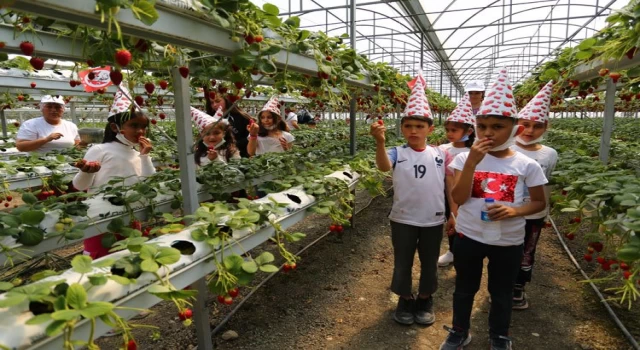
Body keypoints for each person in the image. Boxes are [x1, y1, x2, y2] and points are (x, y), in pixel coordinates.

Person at [440, 68, 547, 350]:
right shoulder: (463, 159)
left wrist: (516, 211)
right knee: (464, 288)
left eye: (497, 127)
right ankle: (460, 330)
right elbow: (460, 198)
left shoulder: (527, 165)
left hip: (508, 240)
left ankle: (500, 335)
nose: (488, 132)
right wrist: (472, 163)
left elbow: (539, 202)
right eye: (483, 126)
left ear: (516, 129)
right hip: (469, 236)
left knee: (500, 292)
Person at [370, 74, 452, 326]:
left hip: (433, 218)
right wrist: (380, 143)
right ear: (402, 129)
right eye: (408, 126)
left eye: (419, 126)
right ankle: (405, 297)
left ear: (430, 129)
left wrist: (454, 214)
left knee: (429, 261)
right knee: (402, 260)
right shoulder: (397, 152)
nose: (413, 131)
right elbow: (384, 167)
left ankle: (425, 297)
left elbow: (449, 186)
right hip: (403, 217)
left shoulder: (441, 153)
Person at [73, 87, 155, 259]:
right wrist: (87, 173)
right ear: (115, 127)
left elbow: (147, 183)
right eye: (134, 126)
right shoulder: (100, 149)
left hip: (131, 212)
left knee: (130, 258)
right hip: (100, 216)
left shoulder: (138, 153)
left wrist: (145, 156)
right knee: (101, 259)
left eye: (143, 127)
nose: (140, 131)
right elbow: (80, 186)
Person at [511, 81, 558, 310]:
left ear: (545, 127)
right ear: (516, 125)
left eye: (536, 126)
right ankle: (502, 284)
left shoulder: (550, 154)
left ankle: (519, 286)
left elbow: (546, 183)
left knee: (528, 250)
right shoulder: (506, 149)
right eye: (525, 124)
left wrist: (544, 212)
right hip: (507, 210)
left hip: (534, 213)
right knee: (505, 248)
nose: (529, 131)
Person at [437, 93, 477, 267]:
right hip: (447, 195)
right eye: (447, 130)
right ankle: (453, 251)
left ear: (468, 131)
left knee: (469, 223)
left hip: (470, 195)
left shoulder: (475, 151)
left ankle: (468, 252)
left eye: (454, 130)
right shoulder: (442, 149)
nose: (449, 134)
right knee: (451, 220)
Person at [15, 95, 80, 153]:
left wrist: (85, 143)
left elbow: (77, 147)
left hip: (67, 163)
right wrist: (46, 139)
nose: (54, 110)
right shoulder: (31, 124)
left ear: (63, 110)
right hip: (40, 164)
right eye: (49, 107)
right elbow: (21, 147)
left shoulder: (71, 126)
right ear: (42, 109)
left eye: (57, 107)